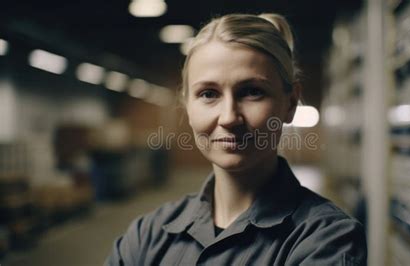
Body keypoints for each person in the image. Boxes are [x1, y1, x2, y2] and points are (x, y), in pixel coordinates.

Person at [106, 13, 367, 266]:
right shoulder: (147, 236)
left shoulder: (326, 241)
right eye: (209, 94)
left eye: (252, 92)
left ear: (290, 103)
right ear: (187, 105)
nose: (229, 117)